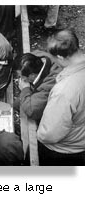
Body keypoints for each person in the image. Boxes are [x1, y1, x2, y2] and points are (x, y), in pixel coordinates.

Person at [37, 29, 85, 166]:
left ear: (61, 58)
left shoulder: (65, 91)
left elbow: (49, 134)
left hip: (65, 150)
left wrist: (39, 134)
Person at [14, 51, 62, 123]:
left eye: (22, 77)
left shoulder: (49, 85)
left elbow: (32, 111)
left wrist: (25, 89)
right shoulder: (39, 58)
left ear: (32, 75)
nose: (21, 79)